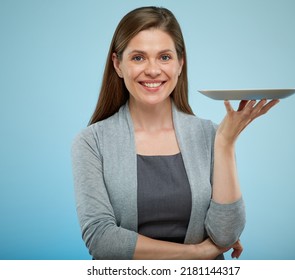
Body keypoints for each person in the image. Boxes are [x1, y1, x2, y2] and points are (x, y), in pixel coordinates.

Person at [71, 6, 279, 260]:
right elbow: (102, 240)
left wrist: (225, 143)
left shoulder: (211, 135)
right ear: (118, 64)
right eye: (138, 57)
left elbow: (225, 235)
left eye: (165, 57)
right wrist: (197, 252)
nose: (153, 70)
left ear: (180, 64)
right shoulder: (92, 142)